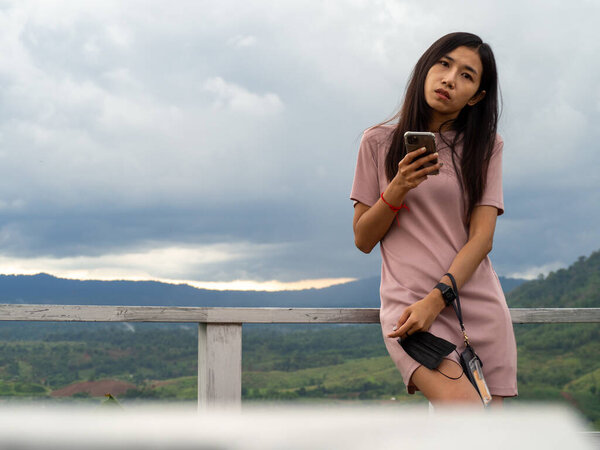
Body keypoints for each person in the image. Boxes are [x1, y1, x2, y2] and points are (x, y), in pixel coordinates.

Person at [350, 32, 517, 407]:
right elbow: (363, 238)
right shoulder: (377, 142)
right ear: (426, 68)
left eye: (467, 75)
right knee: (469, 417)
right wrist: (398, 187)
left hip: (473, 303)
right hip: (411, 308)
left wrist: (438, 298)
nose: (449, 79)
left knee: (489, 437)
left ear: (475, 96)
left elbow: (482, 239)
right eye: (444, 64)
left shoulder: (487, 147)